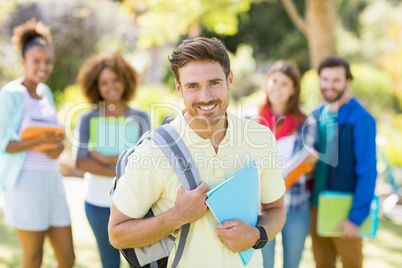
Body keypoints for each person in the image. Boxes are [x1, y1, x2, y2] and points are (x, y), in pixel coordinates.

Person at [108, 37, 287, 267]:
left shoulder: (260, 139)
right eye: (193, 86)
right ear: (180, 89)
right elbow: (117, 234)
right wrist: (177, 216)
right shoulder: (153, 152)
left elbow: (276, 209)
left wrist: (257, 235)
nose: (205, 97)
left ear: (229, 80)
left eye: (214, 82)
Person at [0, 19, 75, 267]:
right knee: (33, 258)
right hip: (25, 183)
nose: (43, 67)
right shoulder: (11, 94)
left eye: (47, 61)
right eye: (36, 61)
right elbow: (4, 144)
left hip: (52, 181)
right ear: (23, 62)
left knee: (67, 257)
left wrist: (57, 146)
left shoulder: (47, 93)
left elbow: (52, 136)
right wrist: (38, 141)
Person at [73, 51, 150, 268]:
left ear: (125, 80)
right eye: (103, 82)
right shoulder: (87, 119)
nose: (111, 86)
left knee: (141, 262)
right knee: (109, 262)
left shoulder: (140, 117)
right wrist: (123, 169)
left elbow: (147, 160)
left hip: (136, 205)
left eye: (115, 79)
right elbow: (81, 161)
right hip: (98, 204)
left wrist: (105, 158)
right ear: (95, 86)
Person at [310, 56, 377, 268]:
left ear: (348, 81)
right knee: (322, 264)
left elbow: (368, 171)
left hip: (345, 210)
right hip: (316, 206)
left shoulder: (361, 118)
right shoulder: (316, 114)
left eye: (336, 80)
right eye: (325, 79)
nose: (329, 86)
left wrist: (356, 218)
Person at [257, 61, 317, 268]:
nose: (277, 87)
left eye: (285, 84)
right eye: (274, 81)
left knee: (292, 264)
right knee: (263, 264)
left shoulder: (306, 124)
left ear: (293, 90)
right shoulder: (251, 121)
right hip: (260, 208)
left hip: (295, 205)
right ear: (267, 83)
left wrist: (309, 164)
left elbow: (306, 169)